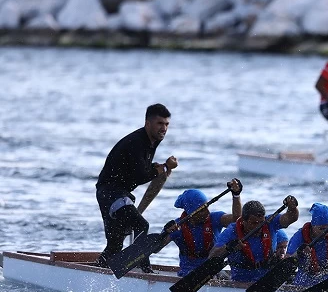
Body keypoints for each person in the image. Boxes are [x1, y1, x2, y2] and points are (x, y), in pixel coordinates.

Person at [95, 104, 177, 269]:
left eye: (167, 124)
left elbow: (138, 171)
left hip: (117, 194)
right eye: (160, 124)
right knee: (141, 225)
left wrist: (158, 169)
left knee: (115, 246)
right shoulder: (137, 142)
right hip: (111, 193)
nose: (164, 128)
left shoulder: (153, 140)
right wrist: (161, 168)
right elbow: (141, 176)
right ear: (148, 123)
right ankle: (143, 266)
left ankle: (96, 272)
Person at [210, 196, 299, 283]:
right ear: (243, 221)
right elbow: (212, 256)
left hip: (267, 282)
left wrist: (292, 207)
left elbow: (291, 218)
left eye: (261, 222)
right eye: (254, 223)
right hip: (240, 282)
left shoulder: (270, 222)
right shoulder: (231, 232)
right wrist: (228, 247)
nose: (258, 227)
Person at [165, 180, 243, 276]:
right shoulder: (176, 227)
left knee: (223, 276)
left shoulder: (215, 218)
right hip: (187, 273)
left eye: (207, 206)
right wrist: (165, 233)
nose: (207, 212)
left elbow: (237, 221)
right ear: (191, 212)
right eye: (202, 209)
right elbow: (157, 248)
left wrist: (236, 195)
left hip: (212, 270)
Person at [285, 202, 328, 286]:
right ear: (313, 225)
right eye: (321, 228)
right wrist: (299, 252)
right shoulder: (299, 237)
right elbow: (286, 261)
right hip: (305, 280)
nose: (325, 232)